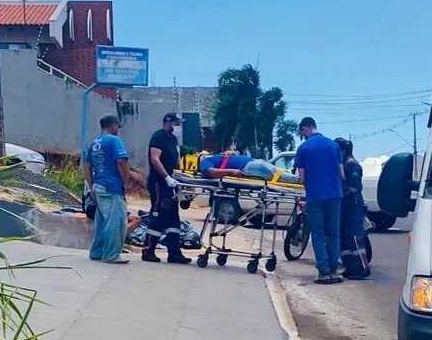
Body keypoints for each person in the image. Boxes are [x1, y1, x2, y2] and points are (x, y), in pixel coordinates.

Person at [294, 117, 345, 284]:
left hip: (315, 196)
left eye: (302, 133)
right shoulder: (333, 145)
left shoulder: (303, 148)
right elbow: (342, 174)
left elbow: (301, 179)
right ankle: (334, 271)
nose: (303, 136)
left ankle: (323, 272)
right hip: (335, 196)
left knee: (318, 235)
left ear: (305, 128)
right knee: (334, 234)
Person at [142, 112, 191, 264]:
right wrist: (166, 177)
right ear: (168, 122)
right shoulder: (159, 137)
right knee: (159, 215)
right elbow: (155, 159)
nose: (178, 126)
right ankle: (148, 250)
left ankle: (174, 252)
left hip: (172, 184)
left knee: (173, 218)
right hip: (159, 183)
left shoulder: (173, 139)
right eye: (176, 123)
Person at [84, 114, 130, 264]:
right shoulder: (114, 140)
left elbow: (87, 165)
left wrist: (91, 186)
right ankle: (111, 255)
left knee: (102, 221)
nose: (118, 129)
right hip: (112, 187)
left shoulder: (94, 143)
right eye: (117, 126)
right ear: (113, 125)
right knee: (115, 222)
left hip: (98, 186)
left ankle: (97, 251)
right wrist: (126, 182)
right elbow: (121, 162)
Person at [335, 138, 371, 280]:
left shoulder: (352, 166)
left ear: (343, 151)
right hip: (345, 207)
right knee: (345, 238)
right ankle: (350, 267)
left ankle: (363, 267)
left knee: (356, 238)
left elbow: (353, 188)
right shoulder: (344, 165)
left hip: (354, 207)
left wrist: (337, 194)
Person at [198, 150, 301, 183]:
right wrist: (231, 171)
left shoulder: (217, 157)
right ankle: (300, 180)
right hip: (247, 167)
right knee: (275, 172)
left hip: (251, 163)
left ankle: (298, 179)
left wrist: (233, 152)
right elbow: (209, 171)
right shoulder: (204, 161)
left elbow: (235, 153)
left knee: (276, 172)